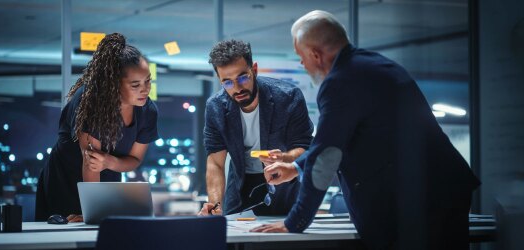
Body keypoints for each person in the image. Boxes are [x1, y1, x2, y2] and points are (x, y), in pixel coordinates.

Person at [251, 10, 481, 250]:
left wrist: (295, 221)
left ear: (315, 55)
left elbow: (326, 156)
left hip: (421, 201)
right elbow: (335, 141)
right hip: (435, 192)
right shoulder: (371, 66)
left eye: (301, 56)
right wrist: (295, 167)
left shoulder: (340, 82)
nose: (302, 64)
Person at [35, 33, 159, 222]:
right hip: (66, 179)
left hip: (108, 179)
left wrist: (110, 163)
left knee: (105, 232)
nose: (145, 89)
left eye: (148, 80)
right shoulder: (91, 103)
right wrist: (90, 211)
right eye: (135, 85)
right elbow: (91, 163)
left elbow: (134, 159)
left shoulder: (147, 110)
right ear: (114, 84)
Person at [198, 40, 314, 216]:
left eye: (243, 77)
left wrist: (285, 157)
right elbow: (215, 162)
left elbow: (304, 147)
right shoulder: (216, 107)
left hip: (284, 188)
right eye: (227, 83)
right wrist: (215, 205)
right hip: (239, 190)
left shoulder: (288, 98)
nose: (237, 88)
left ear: (255, 70)